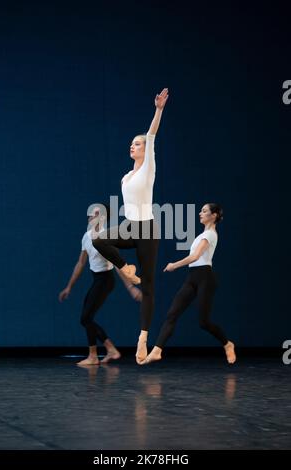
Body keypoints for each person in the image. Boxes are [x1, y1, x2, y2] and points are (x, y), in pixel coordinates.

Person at [93, 88, 169, 364]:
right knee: (99, 240)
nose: (132, 146)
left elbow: (151, 136)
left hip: (148, 229)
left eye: (136, 144)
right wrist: (123, 265)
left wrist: (158, 110)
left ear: (145, 150)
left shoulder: (149, 166)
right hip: (130, 226)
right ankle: (126, 268)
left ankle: (143, 338)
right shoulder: (126, 177)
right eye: (131, 144)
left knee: (148, 287)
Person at [141, 203, 236, 365]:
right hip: (192, 277)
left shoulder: (211, 234)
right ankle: (157, 350)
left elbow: (196, 256)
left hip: (205, 277)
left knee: (203, 322)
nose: (200, 213)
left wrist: (174, 265)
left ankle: (228, 344)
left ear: (213, 216)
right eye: (201, 210)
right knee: (172, 314)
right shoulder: (202, 235)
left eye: (204, 211)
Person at [59, 203, 142, 365]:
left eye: (95, 214)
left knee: (86, 318)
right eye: (90, 214)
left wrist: (131, 288)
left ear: (103, 217)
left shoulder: (107, 237)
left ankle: (99, 353)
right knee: (86, 318)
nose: (90, 216)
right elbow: (80, 263)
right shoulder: (87, 236)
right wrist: (69, 286)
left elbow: (119, 265)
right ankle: (101, 352)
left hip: (106, 280)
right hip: (97, 279)